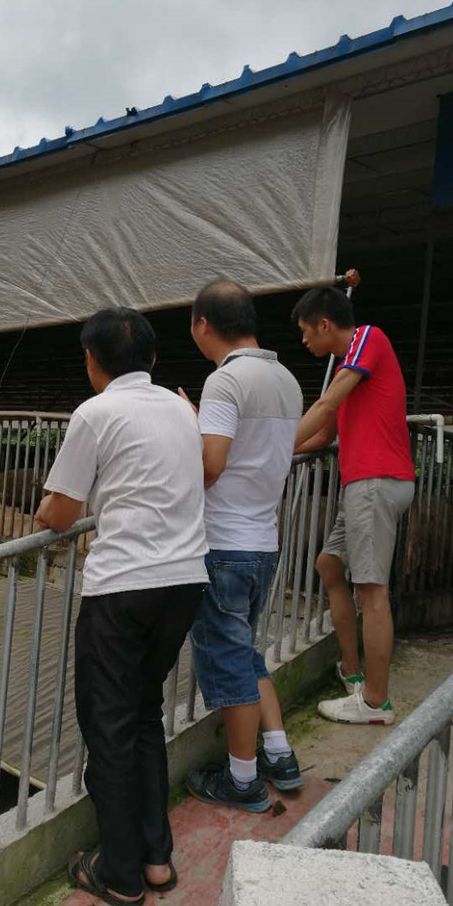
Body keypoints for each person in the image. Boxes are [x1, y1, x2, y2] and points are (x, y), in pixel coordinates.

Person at [36, 307, 208, 906]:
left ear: (91, 361)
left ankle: (120, 875)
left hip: (122, 590)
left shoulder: (95, 412)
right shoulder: (184, 411)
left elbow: (60, 512)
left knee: (108, 726)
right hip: (185, 582)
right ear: (153, 359)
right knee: (142, 716)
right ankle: (156, 858)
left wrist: (45, 513)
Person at [182, 280, 304, 814]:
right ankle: (278, 753)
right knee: (245, 649)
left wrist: (190, 426)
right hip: (263, 543)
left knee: (228, 660)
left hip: (224, 543)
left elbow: (211, 464)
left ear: (203, 325)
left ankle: (243, 779)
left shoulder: (225, 381)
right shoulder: (287, 380)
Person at [292, 283, 415, 726]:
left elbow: (326, 406)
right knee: (329, 566)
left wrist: (269, 447)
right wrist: (278, 456)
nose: (304, 340)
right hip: (363, 486)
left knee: (371, 591)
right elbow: (325, 433)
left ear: (325, 324)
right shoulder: (350, 369)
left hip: (375, 484)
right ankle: (351, 670)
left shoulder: (367, 339)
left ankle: (375, 702)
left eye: (306, 331)